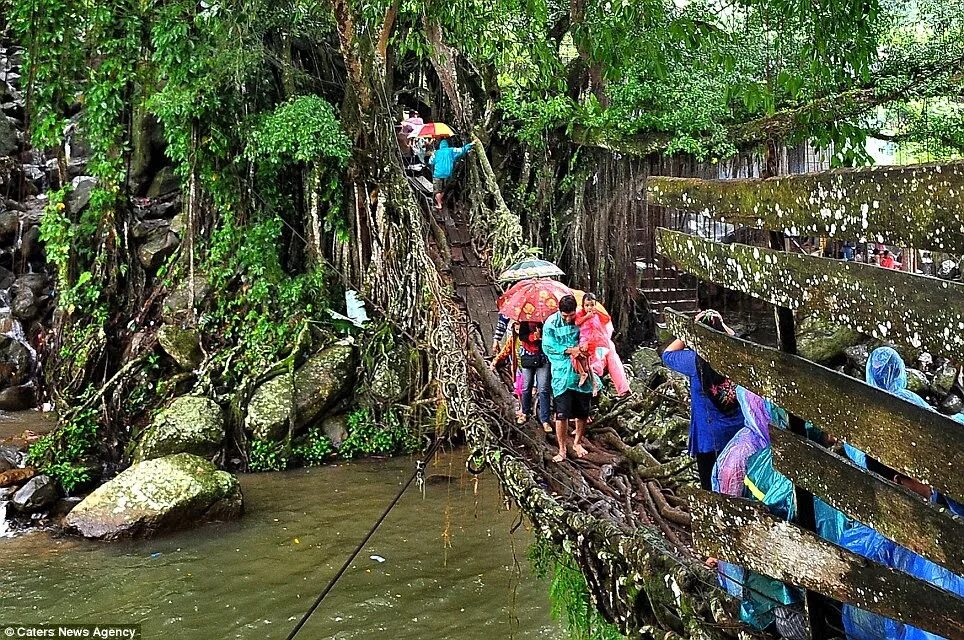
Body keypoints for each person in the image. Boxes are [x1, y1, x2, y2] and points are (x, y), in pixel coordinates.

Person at [661, 309, 745, 489]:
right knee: (738, 481)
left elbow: (667, 355)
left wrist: (689, 330)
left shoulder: (694, 361)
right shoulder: (735, 356)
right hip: (738, 431)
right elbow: (737, 339)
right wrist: (720, 324)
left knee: (711, 485)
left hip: (709, 437)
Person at [542, 295, 599, 462]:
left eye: (571, 315)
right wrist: (569, 350)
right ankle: (561, 449)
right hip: (561, 375)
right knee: (562, 414)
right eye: (564, 315)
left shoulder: (582, 319)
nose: (568, 319)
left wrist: (584, 349)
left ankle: (577, 442)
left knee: (582, 412)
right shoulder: (551, 323)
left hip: (581, 374)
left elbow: (592, 336)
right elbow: (547, 346)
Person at [518, 321, 553, 433]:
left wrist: (542, 336)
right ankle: (524, 412)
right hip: (528, 357)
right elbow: (522, 336)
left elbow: (552, 337)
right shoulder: (525, 321)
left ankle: (545, 419)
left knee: (543, 388)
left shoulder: (547, 321)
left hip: (543, 358)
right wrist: (533, 337)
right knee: (526, 386)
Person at [572, 293, 609, 393]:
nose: (589, 307)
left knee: (586, 360)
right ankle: (586, 377)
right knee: (577, 357)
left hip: (591, 342)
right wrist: (586, 317)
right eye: (587, 305)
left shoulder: (596, 315)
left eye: (592, 305)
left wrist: (598, 312)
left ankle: (592, 382)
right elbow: (577, 322)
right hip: (583, 340)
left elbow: (606, 319)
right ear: (583, 306)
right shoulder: (581, 313)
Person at [429, 138, 473, 210]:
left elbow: (430, 162)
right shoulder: (451, 150)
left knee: (437, 190)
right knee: (444, 189)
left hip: (438, 174)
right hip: (448, 174)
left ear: (440, 145)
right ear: (447, 145)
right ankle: (441, 200)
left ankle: (439, 204)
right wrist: (470, 145)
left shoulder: (436, 152)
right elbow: (461, 150)